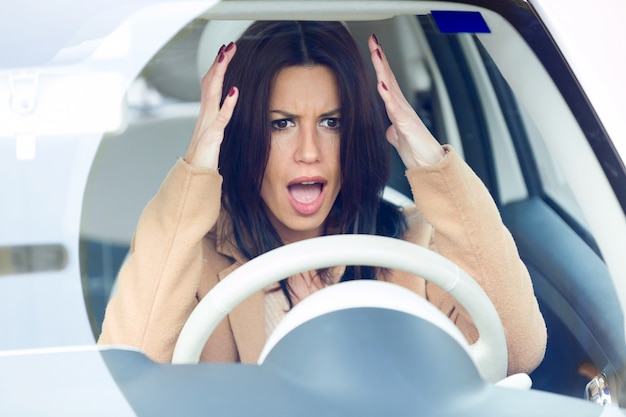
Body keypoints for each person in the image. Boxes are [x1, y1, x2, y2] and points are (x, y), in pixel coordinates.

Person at [98, 20, 546, 375]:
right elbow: (128, 372)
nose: (309, 152)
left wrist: (433, 166)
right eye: (281, 123)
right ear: (246, 135)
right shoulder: (198, 265)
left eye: (331, 122)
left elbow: (517, 350)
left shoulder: (417, 247)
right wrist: (198, 170)